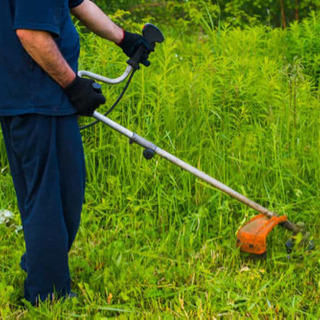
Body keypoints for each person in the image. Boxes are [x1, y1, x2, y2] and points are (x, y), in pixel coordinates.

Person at [0, 0, 152, 305]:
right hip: (33, 100)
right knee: (47, 199)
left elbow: (78, 3)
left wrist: (124, 38)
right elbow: (31, 33)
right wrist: (73, 86)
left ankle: (42, 265)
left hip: (51, 100)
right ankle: (48, 293)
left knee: (67, 193)